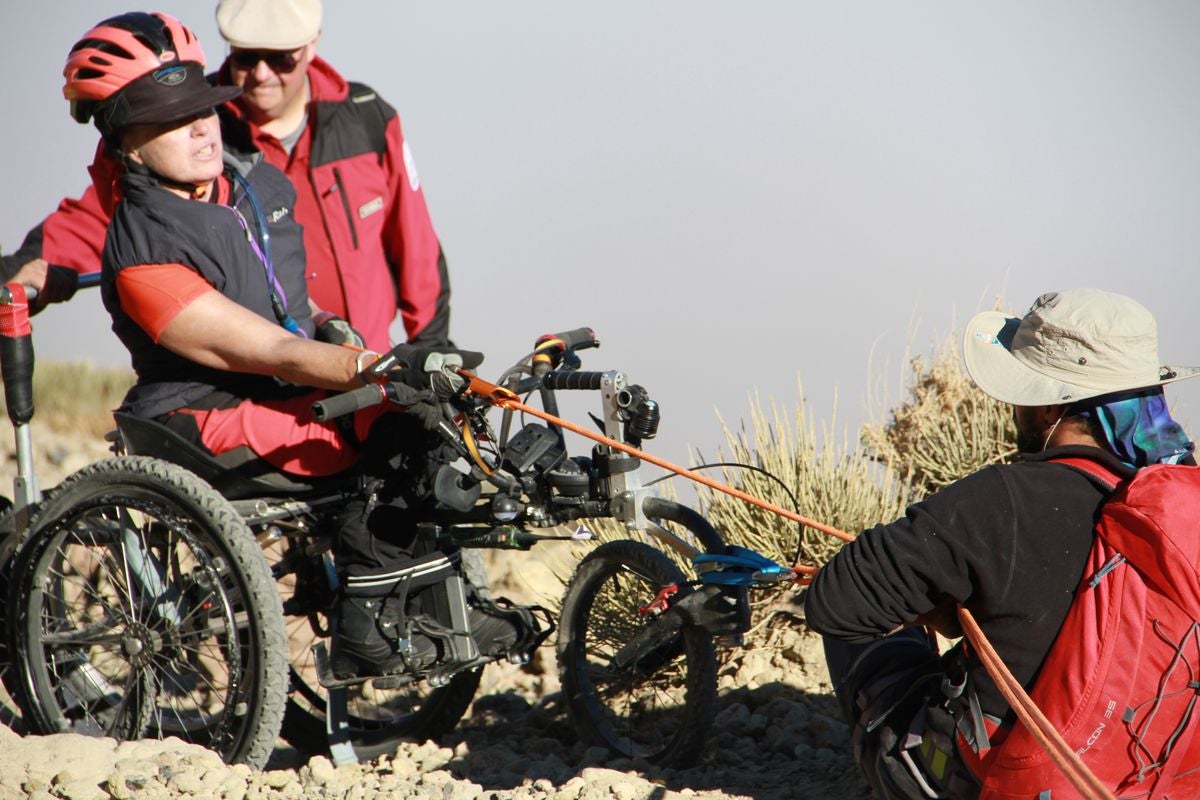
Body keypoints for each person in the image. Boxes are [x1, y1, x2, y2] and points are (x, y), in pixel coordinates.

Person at [66, 11, 517, 682]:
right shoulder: (143, 252)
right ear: (125, 143)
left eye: (203, 109)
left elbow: (294, 310)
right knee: (376, 427)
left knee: (426, 427)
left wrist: (363, 339)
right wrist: (377, 368)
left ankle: (425, 609)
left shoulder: (250, 189)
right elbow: (269, 350)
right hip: (198, 413)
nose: (199, 126)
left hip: (277, 391)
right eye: (170, 119)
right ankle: (369, 629)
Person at [804, 288, 1200, 798]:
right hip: (1155, 781)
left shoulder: (1005, 501)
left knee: (884, 640)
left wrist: (935, 612)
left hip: (1000, 784)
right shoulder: (1184, 504)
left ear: (1048, 405)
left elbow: (834, 603)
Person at [4, 0, 450, 353]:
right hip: (264, 387)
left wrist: (430, 351)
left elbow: (417, 251)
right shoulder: (192, 127)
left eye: (280, 58)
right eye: (245, 55)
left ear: (312, 45)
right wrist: (21, 269)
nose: (260, 74)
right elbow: (107, 213)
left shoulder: (369, 119)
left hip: (364, 378)